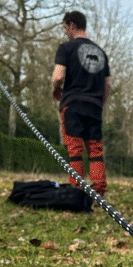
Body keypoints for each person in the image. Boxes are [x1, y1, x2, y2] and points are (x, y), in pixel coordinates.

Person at [52, 11, 111, 196]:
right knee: (95, 150)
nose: (65, 32)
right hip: (94, 107)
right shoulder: (101, 52)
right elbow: (108, 85)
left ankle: (77, 191)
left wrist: (56, 90)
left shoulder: (66, 48)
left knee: (75, 150)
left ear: (72, 25)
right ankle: (99, 190)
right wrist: (99, 103)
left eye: (65, 28)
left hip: (73, 104)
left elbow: (58, 76)